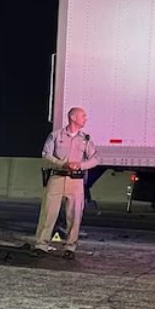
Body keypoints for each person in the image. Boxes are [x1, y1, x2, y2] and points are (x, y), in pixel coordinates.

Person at [34, 106, 98, 258]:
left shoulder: (85, 138)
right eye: (83, 116)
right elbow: (46, 154)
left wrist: (80, 165)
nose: (85, 119)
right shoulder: (56, 136)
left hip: (75, 181)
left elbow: (95, 159)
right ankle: (41, 245)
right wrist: (62, 164)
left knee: (74, 215)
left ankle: (70, 248)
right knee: (48, 213)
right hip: (57, 178)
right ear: (73, 117)